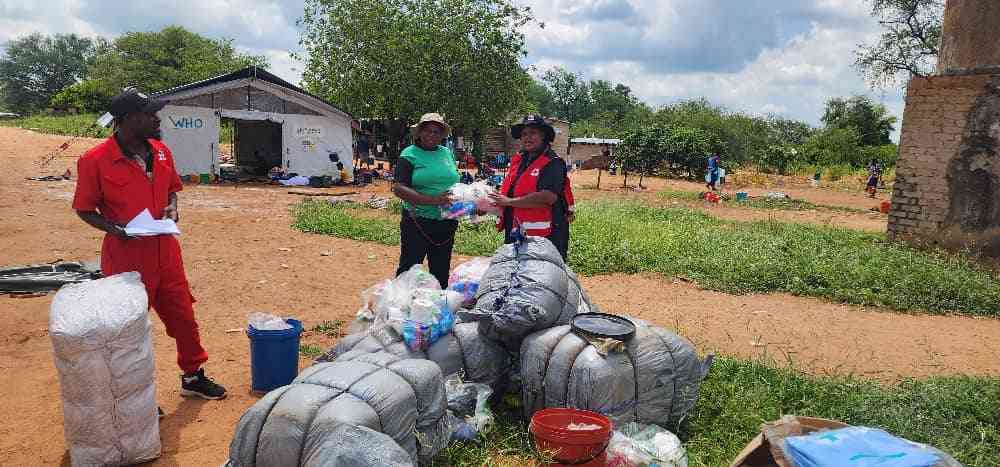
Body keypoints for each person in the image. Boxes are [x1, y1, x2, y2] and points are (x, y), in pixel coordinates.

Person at [72, 88, 226, 400]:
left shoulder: (160, 151)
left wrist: (172, 207)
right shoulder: (95, 160)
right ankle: (134, 397)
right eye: (150, 114)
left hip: (166, 254)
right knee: (129, 332)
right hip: (126, 261)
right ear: (129, 120)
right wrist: (117, 230)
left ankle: (193, 377)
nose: (157, 119)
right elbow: (85, 209)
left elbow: (172, 189)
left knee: (184, 319)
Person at [392, 113, 460, 288]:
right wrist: (433, 200)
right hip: (417, 222)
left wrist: (470, 202)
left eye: (437, 132)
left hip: (446, 222)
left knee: (441, 270)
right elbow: (399, 188)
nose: (432, 135)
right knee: (409, 268)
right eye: (428, 131)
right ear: (420, 132)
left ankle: (436, 308)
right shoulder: (409, 154)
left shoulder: (446, 153)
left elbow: (454, 181)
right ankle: (398, 308)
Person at [490, 114, 572, 260]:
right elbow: (511, 191)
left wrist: (508, 202)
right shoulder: (520, 161)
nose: (527, 138)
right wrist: (489, 204)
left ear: (544, 136)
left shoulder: (553, 163)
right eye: (524, 134)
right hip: (517, 232)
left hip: (545, 239)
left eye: (533, 133)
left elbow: (548, 197)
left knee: (542, 278)